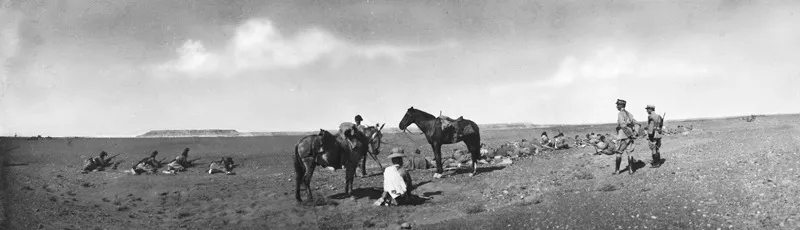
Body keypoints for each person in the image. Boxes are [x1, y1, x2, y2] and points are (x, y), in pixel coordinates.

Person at [613, 99, 639, 175]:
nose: (616, 106)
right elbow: (637, 124)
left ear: (621, 105)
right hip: (630, 136)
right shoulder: (630, 114)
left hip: (623, 136)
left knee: (618, 152)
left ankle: (617, 171)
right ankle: (631, 170)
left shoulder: (620, 114)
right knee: (630, 152)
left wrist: (629, 135)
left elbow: (623, 125)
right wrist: (634, 133)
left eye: (617, 105)